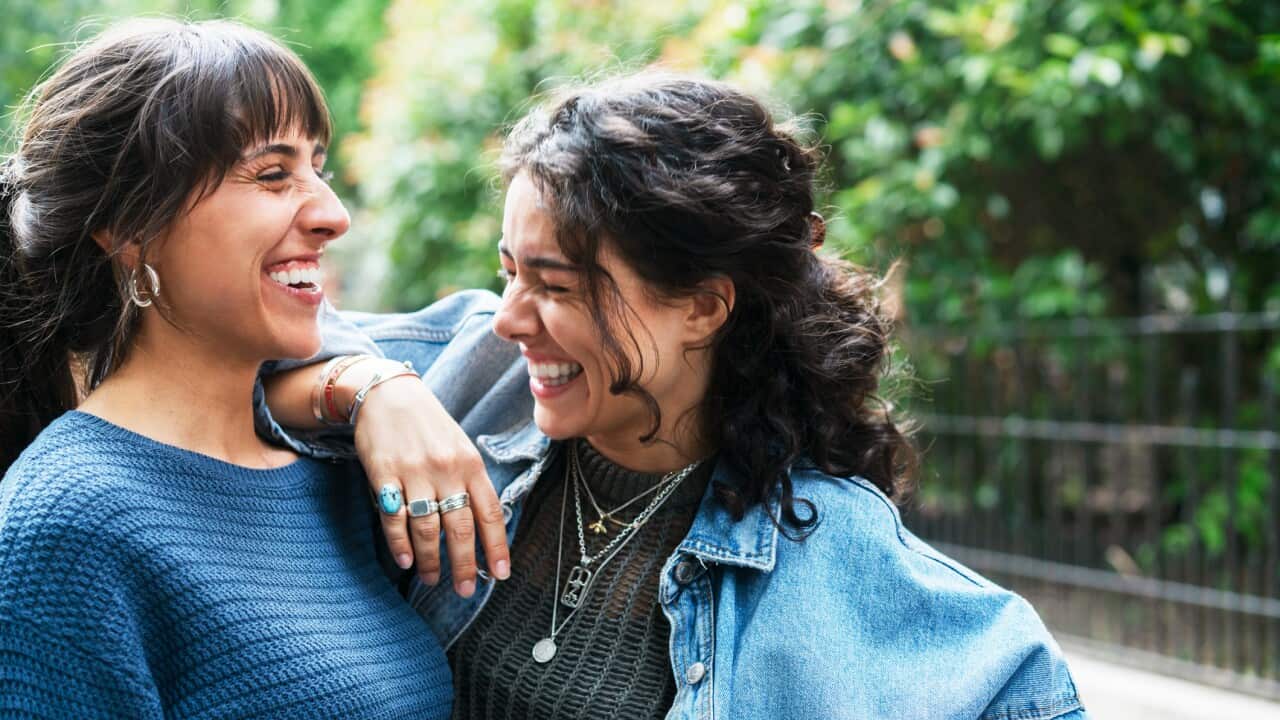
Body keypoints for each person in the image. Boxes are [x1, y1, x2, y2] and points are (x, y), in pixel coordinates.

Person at [259, 73, 1089, 719]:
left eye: (557, 286)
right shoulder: (477, 370)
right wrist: (370, 390)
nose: (511, 319)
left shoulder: (830, 551)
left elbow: (1022, 683)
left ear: (701, 306)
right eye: (508, 271)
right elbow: (248, 352)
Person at [0, 19, 458, 718]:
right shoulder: (65, 530)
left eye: (319, 169)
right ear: (131, 229)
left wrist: (379, 385)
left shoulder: (337, 474)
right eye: (273, 175)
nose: (333, 214)